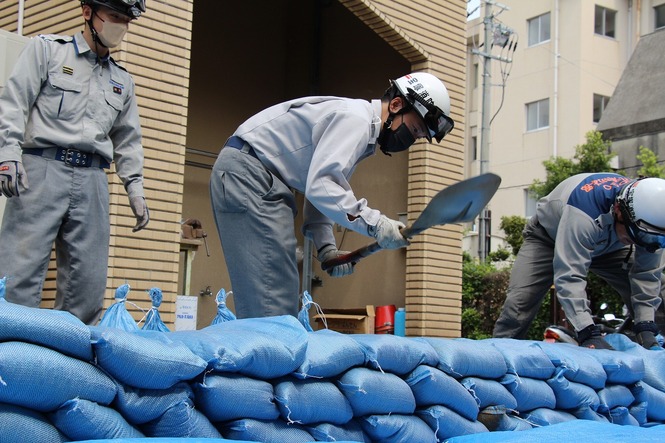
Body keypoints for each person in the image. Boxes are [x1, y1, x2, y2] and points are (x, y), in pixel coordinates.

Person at [210, 72, 454, 318]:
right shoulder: (356, 120)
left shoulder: (360, 128)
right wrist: (376, 224)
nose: (410, 140)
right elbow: (322, 184)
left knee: (274, 294)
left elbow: (321, 190)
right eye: (414, 130)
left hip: (252, 174)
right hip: (250, 174)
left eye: (418, 137)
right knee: (272, 298)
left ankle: (267, 350)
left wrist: (327, 248)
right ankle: (268, 353)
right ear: (396, 104)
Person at [0, 0, 149, 325]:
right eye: (114, 16)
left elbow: (128, 138)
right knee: (18, 276)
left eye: (125, 20)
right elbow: (14, 101)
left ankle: (67, 369)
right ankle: (10, 359)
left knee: (87, 285)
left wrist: (135, 187)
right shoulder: (48, 51)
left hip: (93, 178)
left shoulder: (123, 81)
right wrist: (8, 153)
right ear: (87, 12)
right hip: (40, 169)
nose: (120, 26)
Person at [493, 172, 665, 350]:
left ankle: (654, 352)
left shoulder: (650, 223)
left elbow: (647, 275)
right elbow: (570, 275)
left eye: (651, 238)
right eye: (640, 235)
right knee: (519, 304)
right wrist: (587, 331)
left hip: (610, 244)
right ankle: (501, 356)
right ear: (619, 211)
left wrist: (646, 325)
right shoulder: (583, 210)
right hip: (548, 238)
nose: (643, 242)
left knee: (660, 295)